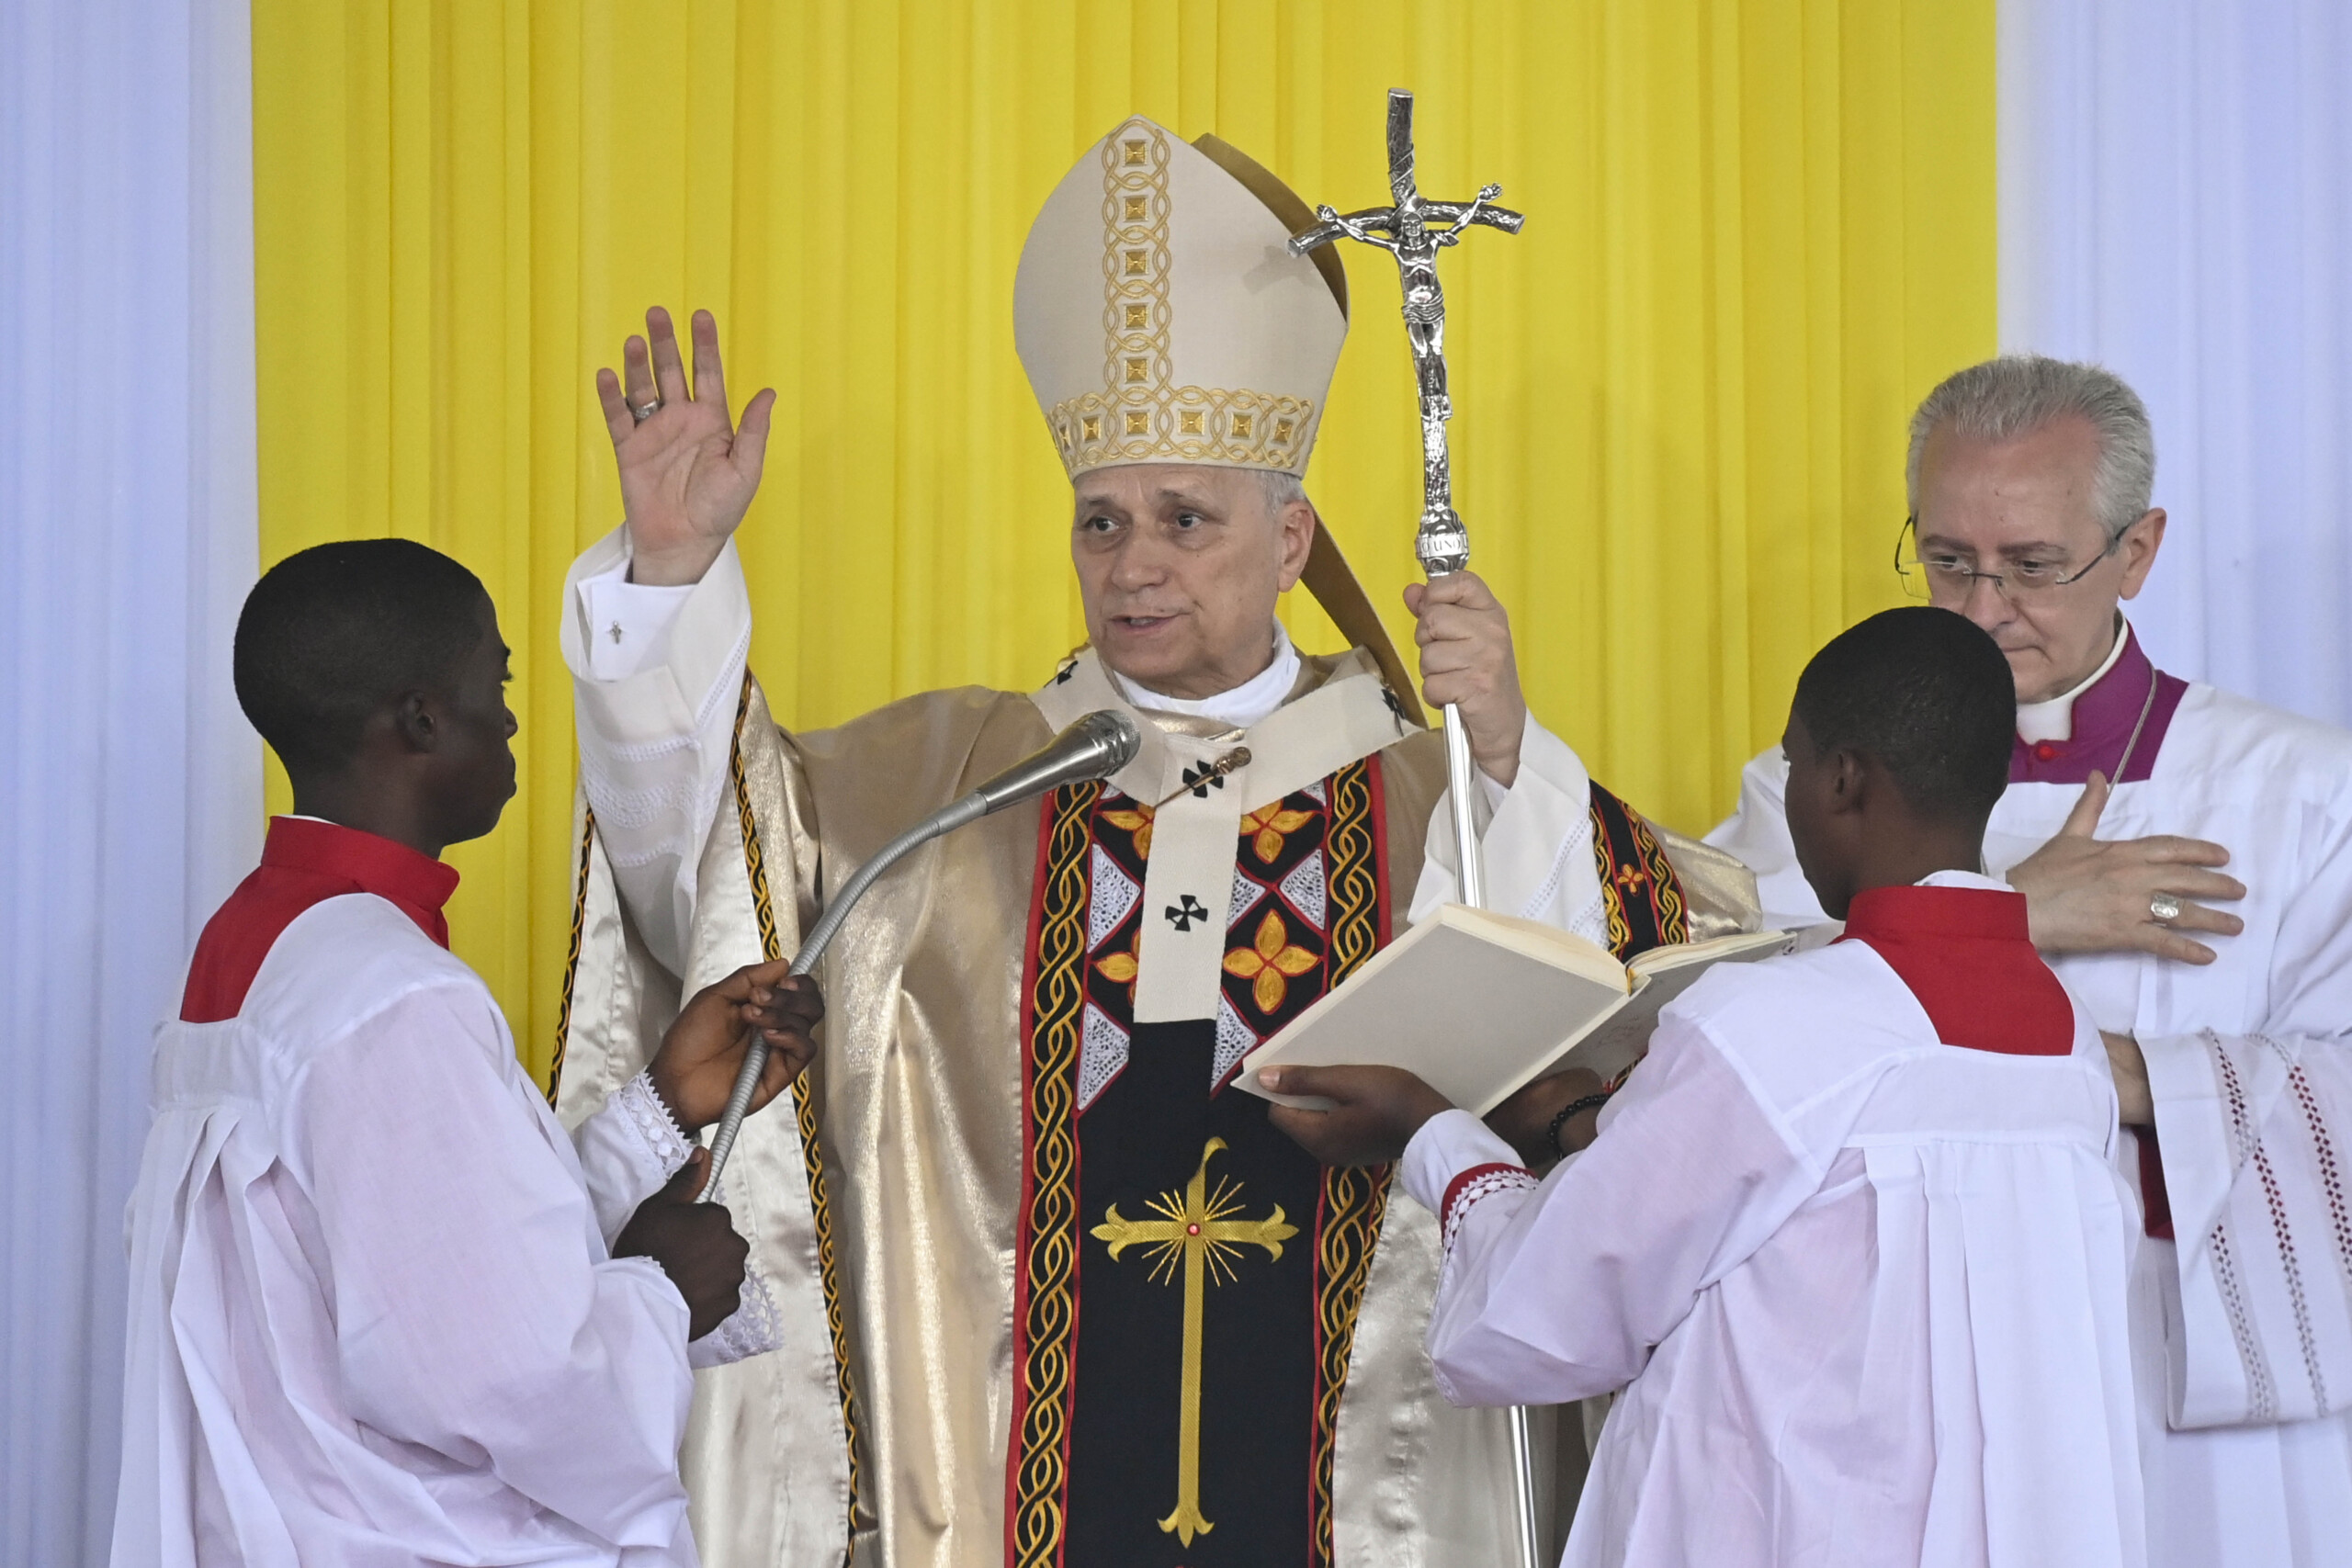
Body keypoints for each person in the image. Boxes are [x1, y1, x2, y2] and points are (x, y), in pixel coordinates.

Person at [549, 118, 1759, 1567]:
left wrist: (1503, 752)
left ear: (1293, 538)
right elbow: (710, 870)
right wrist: (672, 580)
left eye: (1186, 519)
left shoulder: (1438, 794)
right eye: (1102, 521)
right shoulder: (937, 791)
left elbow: (1649, 1004)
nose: (1134, 562)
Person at [1266, 606, 2148, 1568]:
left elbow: (1543, 1315)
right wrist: (1577, 1119)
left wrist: (1432, 1126)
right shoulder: (2062, 1048)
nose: (1795, 793)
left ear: (1843, 778)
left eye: (1795, 765)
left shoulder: (1772, 1024)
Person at [1707, 356, 2352, 1565]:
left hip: (2177, 1378)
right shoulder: (1817, 782)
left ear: (2139, 550)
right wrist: (2003, 915)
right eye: (1948, 558)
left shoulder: (2309, 793)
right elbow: (1718, 1026)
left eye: (2032, 565)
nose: (1982, 606)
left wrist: (2110, 1075)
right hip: (1897, 1369)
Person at [110, 540, 823, 1568]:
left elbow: (418, 1261)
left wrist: (663, 1106)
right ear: (420, 719)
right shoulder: (391, 991)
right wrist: (663, 1290)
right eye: (495, 682)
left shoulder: (259, 943)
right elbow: (501, 1379)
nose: (512, 717)